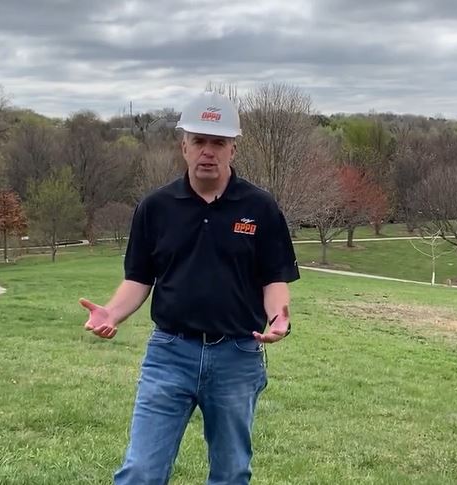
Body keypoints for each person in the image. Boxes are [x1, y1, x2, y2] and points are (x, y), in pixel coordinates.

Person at [79, 91, 300, 485]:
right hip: (169, 354)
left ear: (233, 148)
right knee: (141, 472)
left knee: (231, 473)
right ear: (184, 146)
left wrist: (278, 318)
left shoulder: (260, 207)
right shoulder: (156, 207)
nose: (208, 151)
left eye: (218, 142)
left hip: (236, 355)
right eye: (199, 141)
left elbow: (274, 277)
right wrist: (112, 312)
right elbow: (139, 278)